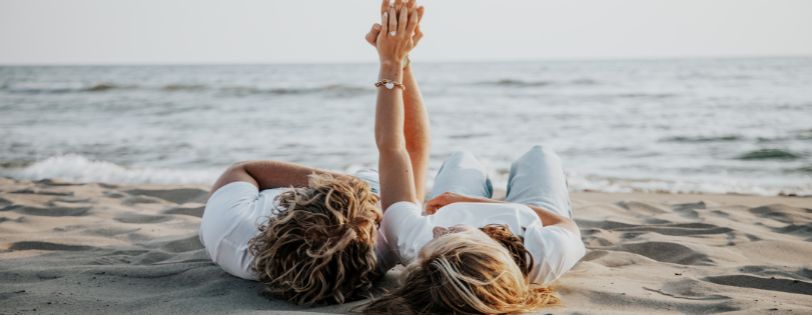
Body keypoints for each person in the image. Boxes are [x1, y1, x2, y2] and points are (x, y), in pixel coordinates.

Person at [197, 0, 427, 306]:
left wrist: (341, 184)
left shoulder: (231, 232)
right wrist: (399, 61)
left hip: (362, 196)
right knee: (460, 169)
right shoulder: (383, 240)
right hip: (375, 195)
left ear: (286, 206)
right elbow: (408, 151)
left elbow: (244, 170)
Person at [362, 0, 586, 313]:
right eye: (447, 237)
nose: (437, 229)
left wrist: (397, 61)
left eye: (431, 250)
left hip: (454, 204)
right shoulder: (542, 256)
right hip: (532, 217)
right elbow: (564, 224)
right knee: (539, 156)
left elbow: (395, 147)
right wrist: (487, 204)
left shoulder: (415, 244)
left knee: (462, 158)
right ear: (489, 248)